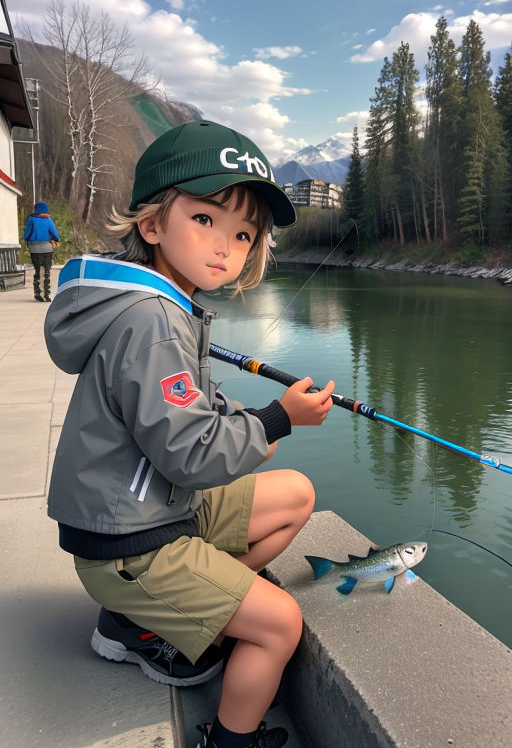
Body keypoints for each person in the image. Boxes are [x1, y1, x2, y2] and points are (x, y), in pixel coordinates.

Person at [44, 120, 334, 748]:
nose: (225, 246)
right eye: (205, 219)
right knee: (280, 624)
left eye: (243, 233)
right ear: (152, 225)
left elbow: (194, 414)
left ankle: (170, 619)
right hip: (130, 545)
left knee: (297, 495)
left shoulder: (166, 305)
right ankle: (227, 738)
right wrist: (277, 419)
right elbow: (191, 450)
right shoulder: (151, 321)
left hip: (153, 510)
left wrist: (255, 423)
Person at [23, 201, 59, 302]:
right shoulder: (48, 220)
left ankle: (38, 293)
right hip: (47, 249)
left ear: (36, 210)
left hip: (34, 249)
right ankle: (46, 295)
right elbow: (55, 235)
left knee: (38, 270)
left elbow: (26, 235)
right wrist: (54, 240)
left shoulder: (31, 219)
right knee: (46, 271)